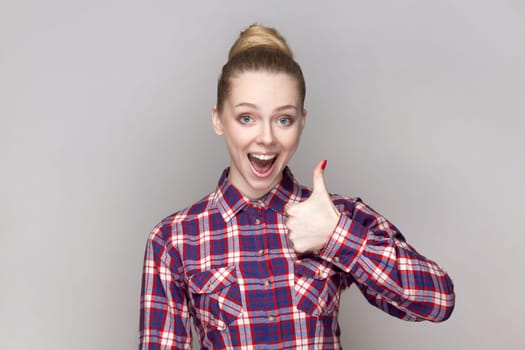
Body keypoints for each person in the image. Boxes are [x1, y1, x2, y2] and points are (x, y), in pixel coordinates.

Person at [139, 24, 455, 349]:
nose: (266, 137)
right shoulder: (173, 239)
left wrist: (336, 236)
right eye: (247, 117)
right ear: (219, 119)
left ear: (302, 121)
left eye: (283, 119)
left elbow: (438, 301)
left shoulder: (338, 215)